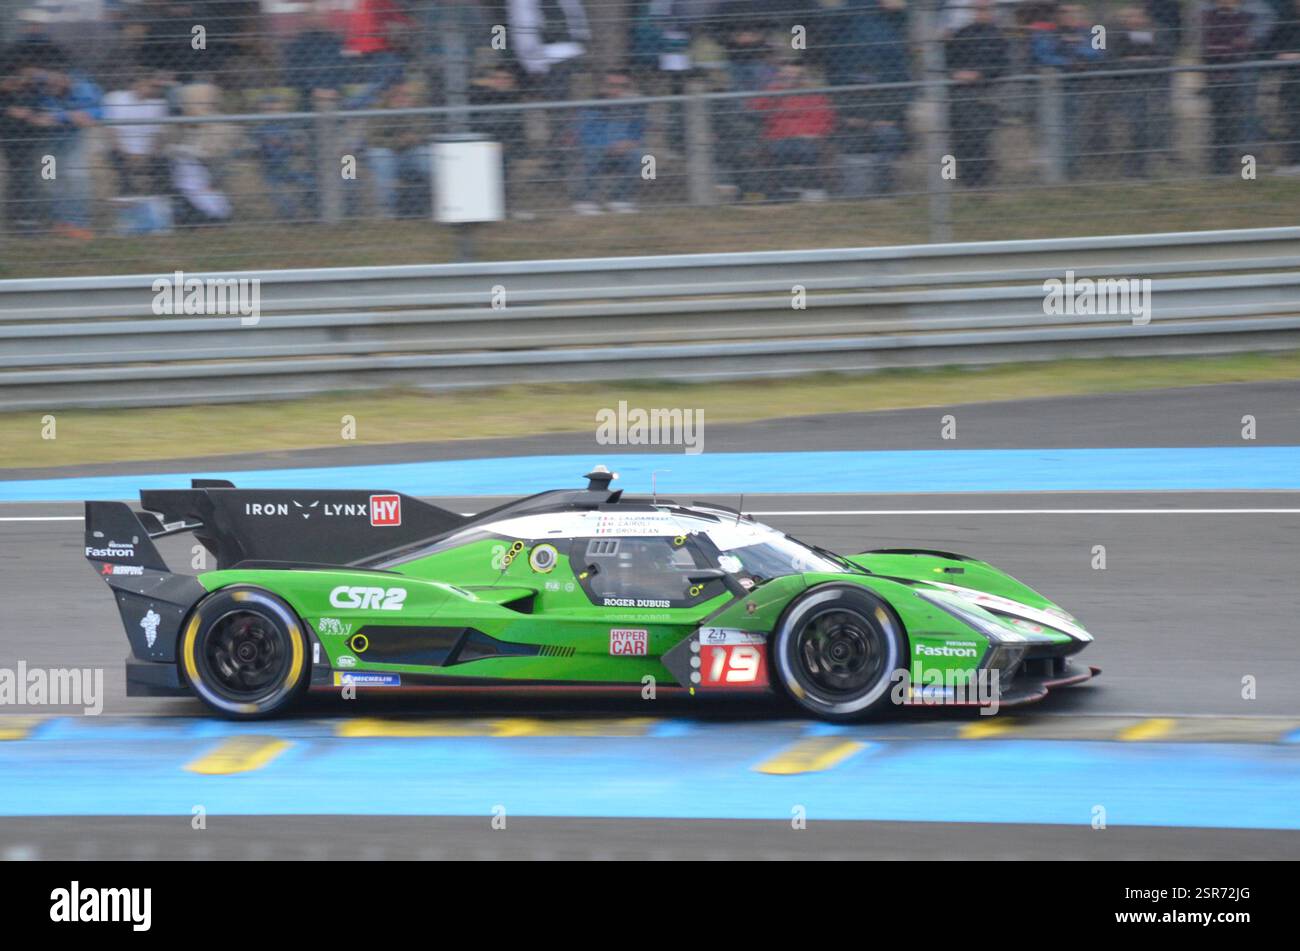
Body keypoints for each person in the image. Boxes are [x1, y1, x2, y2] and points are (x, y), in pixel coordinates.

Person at [945, 0, 1011, 187]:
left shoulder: (998, 37)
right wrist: (957, 74)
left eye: (985, 9)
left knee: (977, 132)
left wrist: (979, 74)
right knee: (960, 135)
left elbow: (1002, 66)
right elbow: (949, 61)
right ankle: (961, 177)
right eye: (978, 9)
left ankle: (979, 179)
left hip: (987, 91)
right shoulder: (963, 33)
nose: (981, 13)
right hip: (960, 92)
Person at [38, 57, 105, 239]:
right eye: (48, 82)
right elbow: (41, 114)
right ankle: (61, 222)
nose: (51, 85)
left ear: (67, 78)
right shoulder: (42, 87)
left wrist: (83, 115)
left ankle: (79, 224)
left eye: (56, 81)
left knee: (76, 177)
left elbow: (102, 111)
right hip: (49, 142)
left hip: (75, 139)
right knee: (51, 180)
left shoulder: (85, 88)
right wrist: (68, 116)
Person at [102, 68, 175, 234]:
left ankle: (160, 221)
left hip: (148, 153)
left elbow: (159, 136)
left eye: (155, 87)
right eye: (149, 86)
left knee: (164, 168)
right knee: (123, 174)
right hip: (121, 151)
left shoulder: (159, 103)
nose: (153, 90)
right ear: (137, 84)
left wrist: (148, 155)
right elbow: (111, 132)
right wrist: (124, 153)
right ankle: (128, 222)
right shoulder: (114, 98)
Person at [751, 63, 837, 201]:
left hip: (808, 138)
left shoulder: (814, 95)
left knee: (807, 150)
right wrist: (777, 89)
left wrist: (813, 134)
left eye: (795, 75)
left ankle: (813, 189)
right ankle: (781, 192)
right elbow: (756, 109)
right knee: (776, 150)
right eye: (786, 75)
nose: (791, 78)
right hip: (778, 138)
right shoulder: (773, 92)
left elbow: (825, 119)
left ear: (803, 77)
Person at [1110, 6, 1173, 177]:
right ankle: (1132, 168)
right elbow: (1113, 62)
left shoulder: (1157, 34)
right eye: (1130, 16)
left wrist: (1135, 61)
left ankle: (1144, 168)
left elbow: (1164, 58)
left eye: (1138, 16)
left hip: (1152, 88)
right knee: (1134, 128)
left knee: (1149, 128)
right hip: (1128, 89)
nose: (1135, 19)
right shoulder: (1118, 36)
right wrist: (1143, 61)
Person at [572, 70, 646, 214]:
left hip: (624, 151)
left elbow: (638, 132)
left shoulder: (635, 106)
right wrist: (608, 145)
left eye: (623, 86)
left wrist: (630, 143)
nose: (617, 90)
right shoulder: (591, 106)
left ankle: (621, 199)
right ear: (602, 87)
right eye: (612, 85)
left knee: (646, 158)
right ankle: (585, 201)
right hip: (596, 150)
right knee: (594, 153)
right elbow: (585, 135)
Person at [1202, 0, 1256, 175]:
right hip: (1217, 76)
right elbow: (1210, 47)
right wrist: (1231, 47)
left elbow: (1244, 47)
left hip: (1238, 75)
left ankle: (1245, 171)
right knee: (1219, 122)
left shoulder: (1245, 17)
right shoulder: (1209, 16)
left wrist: (1231, 48)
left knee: (1240, 122)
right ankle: (1218, 167)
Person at [366, 81, 435, 218]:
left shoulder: (417, 109)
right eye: (396, 95)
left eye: (406, 95)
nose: (401, 98)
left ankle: (438, 204)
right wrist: (397, 141)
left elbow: (425, 132)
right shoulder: (378, 110)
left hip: (410, 154)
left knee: (426, 155)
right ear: (389, 96)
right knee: (380, 157)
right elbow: (372, 140)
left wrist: (407, 115)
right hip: (382, 155)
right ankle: (387, 211)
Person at [1267, 0, 1300, 171]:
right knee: (1293, 120)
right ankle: (1295, 162)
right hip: (1292, 81)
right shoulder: (1285, 20)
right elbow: (1269, 48)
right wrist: (1282, 55)